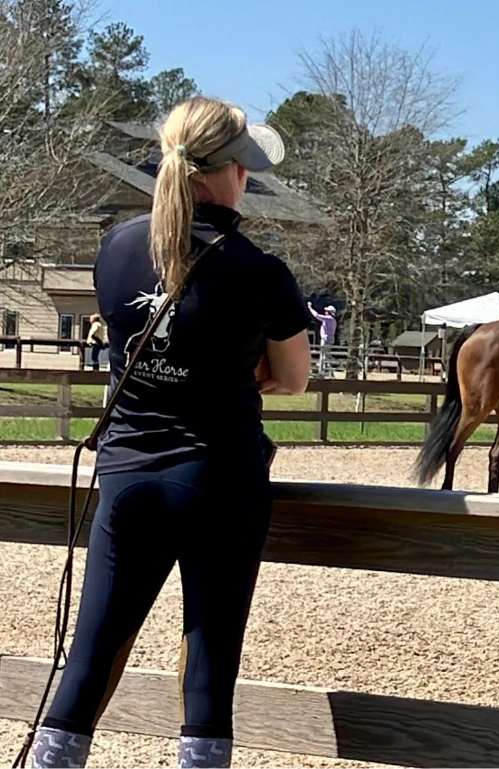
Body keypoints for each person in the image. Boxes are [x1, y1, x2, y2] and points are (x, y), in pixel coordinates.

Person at [27, 96, 312, 769]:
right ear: (236, 171)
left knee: (89, 655)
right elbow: (293, 377)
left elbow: (134, 343)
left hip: (126, 471)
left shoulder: (118, 249)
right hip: (217, 475)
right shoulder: (259, 270)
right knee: (209, 664)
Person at [307, 301, 337, 376]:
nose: (325, 312)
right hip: (330, 339)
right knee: (326, 354)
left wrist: (310, 308)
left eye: (327, 311)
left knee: (324, 354)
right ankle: (325, 369)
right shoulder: (333, 320)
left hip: (326, 339)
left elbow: (317, 315)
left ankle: (323, 370)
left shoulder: (328, 319)